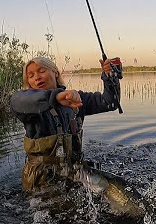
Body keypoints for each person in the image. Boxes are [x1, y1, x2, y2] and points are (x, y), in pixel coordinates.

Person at [10, 56, 122, 194]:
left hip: (73, 175)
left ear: (55, 73)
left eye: (41, 71)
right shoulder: (29, 106)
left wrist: (110, 76)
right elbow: (17, 101)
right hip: (41, 183)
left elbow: (109, 102)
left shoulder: (75, 100)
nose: (37, 77)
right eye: (31, 76)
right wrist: (56, 97)